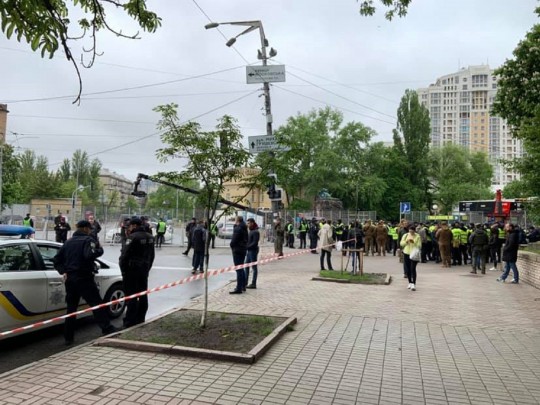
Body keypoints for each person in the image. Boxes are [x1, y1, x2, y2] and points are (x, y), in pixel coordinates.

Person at [52, 220, 118, 345]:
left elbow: (56, 260)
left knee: (71, 308)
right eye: (90, 228)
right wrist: (100, 249)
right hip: (84, 278)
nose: (90, 230)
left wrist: (63, 271)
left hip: (70, 279)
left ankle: (68, 337)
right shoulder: (88, 240)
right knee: (96, 304)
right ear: (86, 229)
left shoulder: (68, 242)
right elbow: (89, 255)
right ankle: (107, 328)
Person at [119, 217, 155, 327]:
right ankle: (140, 318)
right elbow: (152, 256)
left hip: (131, 271)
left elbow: (124, 256)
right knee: (143, 295)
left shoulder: (132, 237)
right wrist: (147, 268)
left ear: (134, 225)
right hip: (144, 270)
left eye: (129, 226)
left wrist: (123, 271)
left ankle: (129, 321)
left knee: (131, 296)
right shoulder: (150, 237)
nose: (128, 228)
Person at [400, 224, 422, 291]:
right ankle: (410, 282)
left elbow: (419, 246)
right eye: (410, 231)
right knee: (408, 269)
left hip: (414, 254)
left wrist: (413, 242)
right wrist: (406, 242)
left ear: (414, 231)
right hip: (406, 253)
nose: (411, 232)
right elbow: (401, 243)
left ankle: (413, 284)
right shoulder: (405, 235)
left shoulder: (417, 236)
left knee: (413, 268)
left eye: (412, 231)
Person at [230, 216, 248, 294]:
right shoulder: (244, 228)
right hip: (243, 249)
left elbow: (234, 240)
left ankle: (239, 288)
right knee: (241, 268)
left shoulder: (238, 229)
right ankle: (243, 285)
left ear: (237, 220)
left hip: (237, 250)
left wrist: (231, 245)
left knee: (238, 269)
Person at [245, 218, 260, 289]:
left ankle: (253, 283)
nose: (247, 225)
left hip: (253, 251)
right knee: (246, 266)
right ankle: (245, 282)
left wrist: (247, 247)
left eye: (248, 223)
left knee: (254, 267)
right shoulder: (251, 231)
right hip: (249, 251)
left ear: (252, 223)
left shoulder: (255, 232)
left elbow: (255, 242)